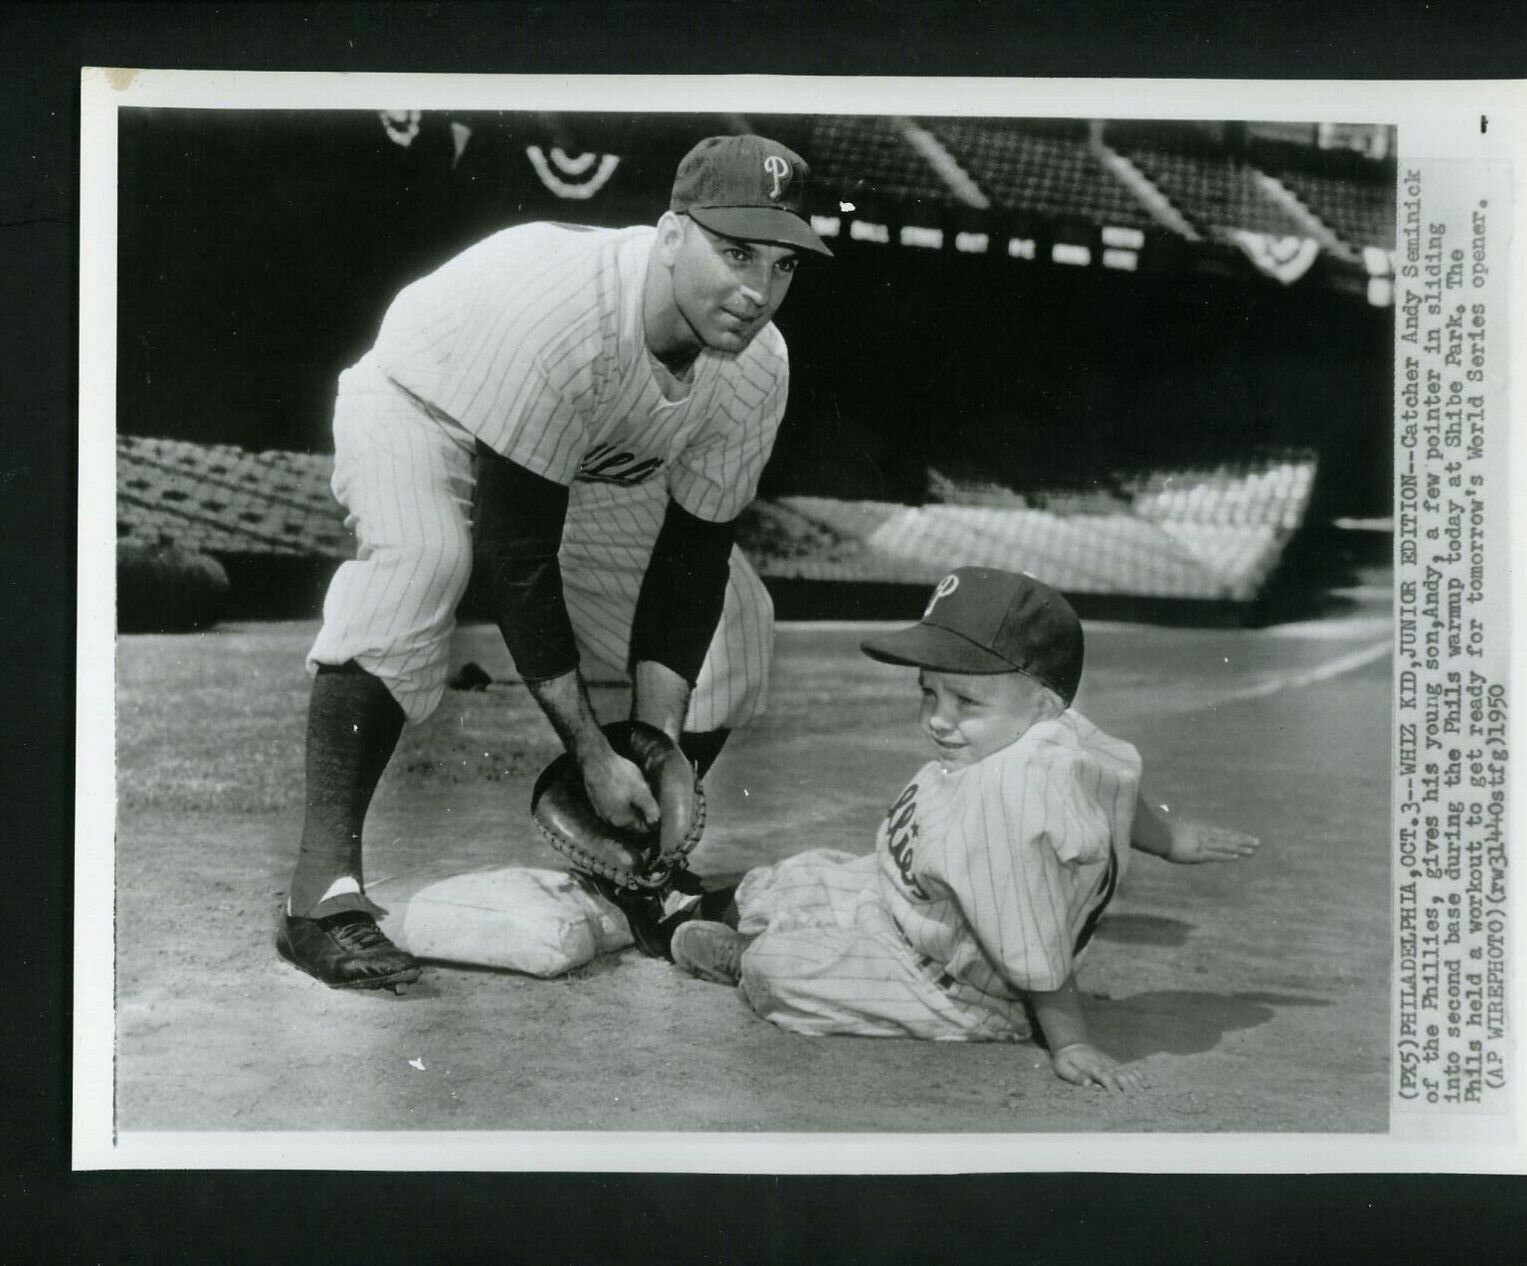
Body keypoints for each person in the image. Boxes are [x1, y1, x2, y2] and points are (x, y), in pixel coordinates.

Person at [275, 134, 834, 990]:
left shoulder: (759, 367)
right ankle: (323, 890)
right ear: (673, 235)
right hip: (425, 412)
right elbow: (518, 553)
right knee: (423, 562)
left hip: (581, 462)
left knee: (738, 625)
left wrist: (651, 747)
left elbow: (692, 558)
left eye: (783, 266)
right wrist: (590, 753)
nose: (758, 291)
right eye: (735, 253)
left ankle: (632, 870)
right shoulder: (568, 310)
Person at [667, 567, 1259, 1092]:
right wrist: (1171, 840)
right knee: (807, 873)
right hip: (905, 902)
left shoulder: (1010, 807)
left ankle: (746, 957)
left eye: (966, 701)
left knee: (789, 970)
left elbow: (1034, 947)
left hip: (952, 985)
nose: (937, 718)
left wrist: (1071, 1042)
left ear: (1044, 706)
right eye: (929, 690)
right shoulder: (1055, 728)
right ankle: (732, 908)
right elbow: (1112, 786)